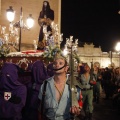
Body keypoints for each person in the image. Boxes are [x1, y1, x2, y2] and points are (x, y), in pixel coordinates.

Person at [38, 54, 82, 120]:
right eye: (55, 63)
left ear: (66, 68)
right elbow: (40, 107)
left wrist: (77, 111)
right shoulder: (45, 84)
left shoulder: (74, 85)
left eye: (60, 63)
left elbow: (79, 103)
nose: (57, 65)